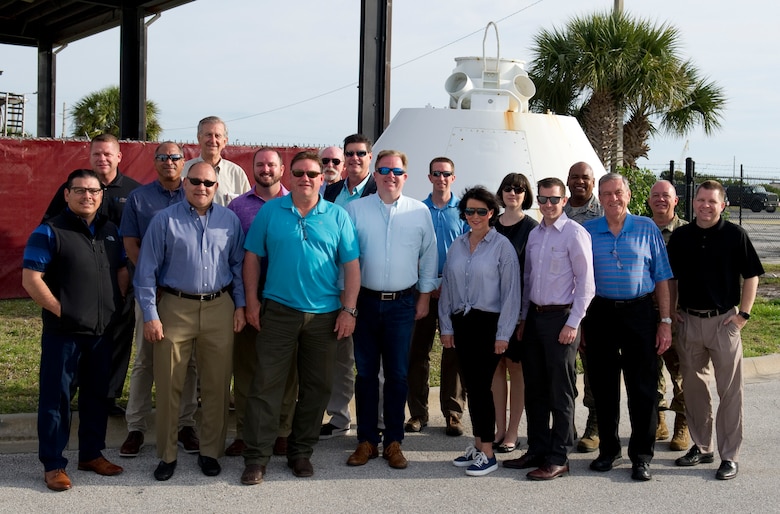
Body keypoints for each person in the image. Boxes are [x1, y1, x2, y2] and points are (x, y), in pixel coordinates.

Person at [239, 151, 361, 485]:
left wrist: (349, 310)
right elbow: (252, 258)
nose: (305, 179)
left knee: (317, 387)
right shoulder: (270, 212)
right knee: (266, 385)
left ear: (322, 179)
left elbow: (351, 267)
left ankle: (301, 452)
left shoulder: (337, 216)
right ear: (289, 177)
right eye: (299, 173)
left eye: (312, 173)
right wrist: (251, 302)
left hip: (324, 316)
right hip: (278, 311)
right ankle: (256, 458)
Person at [134, 161, 246, 481]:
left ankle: (211, 451)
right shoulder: (163, 220)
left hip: (218, 307)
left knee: (216, 385)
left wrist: (239, 307)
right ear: (185, 183)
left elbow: (238, 267)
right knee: (169, 382)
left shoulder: (230, 221)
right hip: (175, 307)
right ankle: (167, 454)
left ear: (216, 186)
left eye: (208, 183)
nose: (202, 187)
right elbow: (146, 273)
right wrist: (151, 315)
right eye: (195, 181)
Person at [23, 169, 128, 491]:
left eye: (94, 191)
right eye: (80, 190)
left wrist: (115, 303)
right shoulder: (49, 231)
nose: (88, 196)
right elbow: (31, 279)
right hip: (63, 334)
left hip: (101, 332)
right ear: (67, 194)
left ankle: (91, 454)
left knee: (97, 397)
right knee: (57, 400)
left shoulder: (111, 231)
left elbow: (122, 269)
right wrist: (63, 312)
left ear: (101, 195)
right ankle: (53, 464)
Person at [344, 150, 437, 470]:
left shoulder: (419, 212)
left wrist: (424, 298)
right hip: (365, 304)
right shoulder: (355, 210)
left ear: (405, 176)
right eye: (383, 169)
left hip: (402, 304)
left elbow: (429, 257)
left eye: (396, 171)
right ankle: (366, 441)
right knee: (366, 374)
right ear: (375, 173)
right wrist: (349, 305)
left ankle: (394, 441)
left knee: (398, 375)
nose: (390, 175)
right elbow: (346, 259)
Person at [668, 180, 763, 481]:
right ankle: (701, 445)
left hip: (724, 322)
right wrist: (671, 310)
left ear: (723, 205)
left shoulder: (735, 235)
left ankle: (729, 456)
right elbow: (671, 278)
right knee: (694, 391)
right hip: (689, 321)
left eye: (712, 201)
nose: (705, 206)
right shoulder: (681, 236)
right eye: (701, 200)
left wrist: (743, 315)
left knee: (730, 392)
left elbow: (752, 276)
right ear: (693, 202)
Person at [582, 173, 673, 482]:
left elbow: (662, 277)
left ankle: (641, 456)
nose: (613, 198)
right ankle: (608, 450)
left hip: (640, 313)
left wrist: (665, 322)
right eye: (606, 193)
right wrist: (580, 321)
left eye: (618, 192)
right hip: (600, 313)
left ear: (629, 194)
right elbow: (578, 279)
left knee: (643, 388)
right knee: (604, 386)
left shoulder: (648, 228)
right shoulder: (587, 230)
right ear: (600, 197)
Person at [43, 133, 141, 418]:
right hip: (80, 280)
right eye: (97, 154)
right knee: (75, 338)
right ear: (89, 156)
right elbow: (50, 226)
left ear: (119, 156)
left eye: (108, 154)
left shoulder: (134, 191)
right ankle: (70, 393)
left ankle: (108, 396)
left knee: (118, 338)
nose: (103, 158)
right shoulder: (72, 188)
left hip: (121, 278)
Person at [503, 177, 595, 480]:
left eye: (553, 199)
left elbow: (586, 285)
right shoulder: (536, 234)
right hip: (535, 320)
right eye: (543, 199)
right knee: (536, 390)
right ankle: (538, 450)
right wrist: (523, 319)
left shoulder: (575, 234)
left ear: (564, 200)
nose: (547, 204)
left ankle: (559, 457)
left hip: (562, 320)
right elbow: (528, 280)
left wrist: (573, 323)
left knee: (560, 391)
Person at [118, 142, 199, 457]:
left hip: (187, 295)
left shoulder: (195, 193)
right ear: (155, 162)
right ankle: (136, 427)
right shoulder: (139, 198)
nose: (169, 162)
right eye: (163, 157)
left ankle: (186, 424)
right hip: (152, 292)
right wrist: (153, 279)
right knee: (145, 360)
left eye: (175, 157)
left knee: (188, 361)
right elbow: (130, 244)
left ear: (184, 163)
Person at [440, 186, 521, 476]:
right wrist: (447, 326)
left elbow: (512, 294)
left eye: (481, 211)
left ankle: (488, 452)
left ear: (492, 213)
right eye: (469, 211)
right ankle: (478, 444)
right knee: (473, 389)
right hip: (462, 322)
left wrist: (503, 334)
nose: (475, 216)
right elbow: (448, 287)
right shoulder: (458, 245)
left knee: (480, 389)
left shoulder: (502, 247)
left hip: (489, 324)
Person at [225, 148, 296, 458]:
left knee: (286, 369)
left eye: (271, 164)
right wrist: (243, 302)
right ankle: (245, 431)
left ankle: (282, 430)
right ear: (251, 168)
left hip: (286, 299)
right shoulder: (236, 207)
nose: (266, 169)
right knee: (246, 369)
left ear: (282, 169)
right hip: (246, 296)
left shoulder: (297, 204)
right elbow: (232, 258)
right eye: (260, 164)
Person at [320, 134, 377, 440]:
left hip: (369, 289)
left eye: (360, 154)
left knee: (370, 362)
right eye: (349, 154)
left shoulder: (379, 189)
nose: (354, 159)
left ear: (370, 157)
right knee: (340, 359)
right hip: (334, 289)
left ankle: (377, 421)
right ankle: (339, 419)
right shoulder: (329, 192)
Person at [405, 157, 467, 436]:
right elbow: (412, 251)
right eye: (436, 173)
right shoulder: (418, 210)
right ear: (429, 177)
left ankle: (453, 413)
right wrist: (429, 284)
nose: (441, 178)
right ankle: (418, 413)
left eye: (447, 174)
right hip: (423, 293)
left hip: (455, 293)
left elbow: (470, 251)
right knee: (417, 353)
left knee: (453, 352)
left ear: (453, 178)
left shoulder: (464, 212)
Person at [491, 172, 537, 453]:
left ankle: (513, 431)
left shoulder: (532, 228)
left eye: (519, 189)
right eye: (508, 188)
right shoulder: (490, 224)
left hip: (518, 310)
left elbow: (532, 275)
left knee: (516, 368)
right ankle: (498, 427)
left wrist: (523, 315)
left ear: (525, 195)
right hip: (490, 308)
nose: (513, 193)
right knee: (495, 368)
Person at [563, 161, 603, 453]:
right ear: (567, 181)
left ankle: (595, 425)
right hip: (562, 304)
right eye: (574, 177)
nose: (580, 182)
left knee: (594, 367)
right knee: (564, 368)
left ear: (593, 182)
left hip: (595, 304)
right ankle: (566, 424)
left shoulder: (603, 213)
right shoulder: (557, 212)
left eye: (585, 178)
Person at [648, 180, 690, 451]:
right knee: (650, 372)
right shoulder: (641, 228)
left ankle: (683, 425)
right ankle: (659, 420)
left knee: (682, 372)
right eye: (656, 196)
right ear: (649, 201)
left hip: (680, 314)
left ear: (676, 201)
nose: (661, 200)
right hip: (645, 312)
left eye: (667, 196)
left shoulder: (688, 232)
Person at [182, 116, 250, 206]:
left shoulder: (237, 174)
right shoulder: (184, 172)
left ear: (225, 141)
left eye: (217, 136)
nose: (213, 140)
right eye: (208, 135)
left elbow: (247, 208)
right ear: (199, 138)